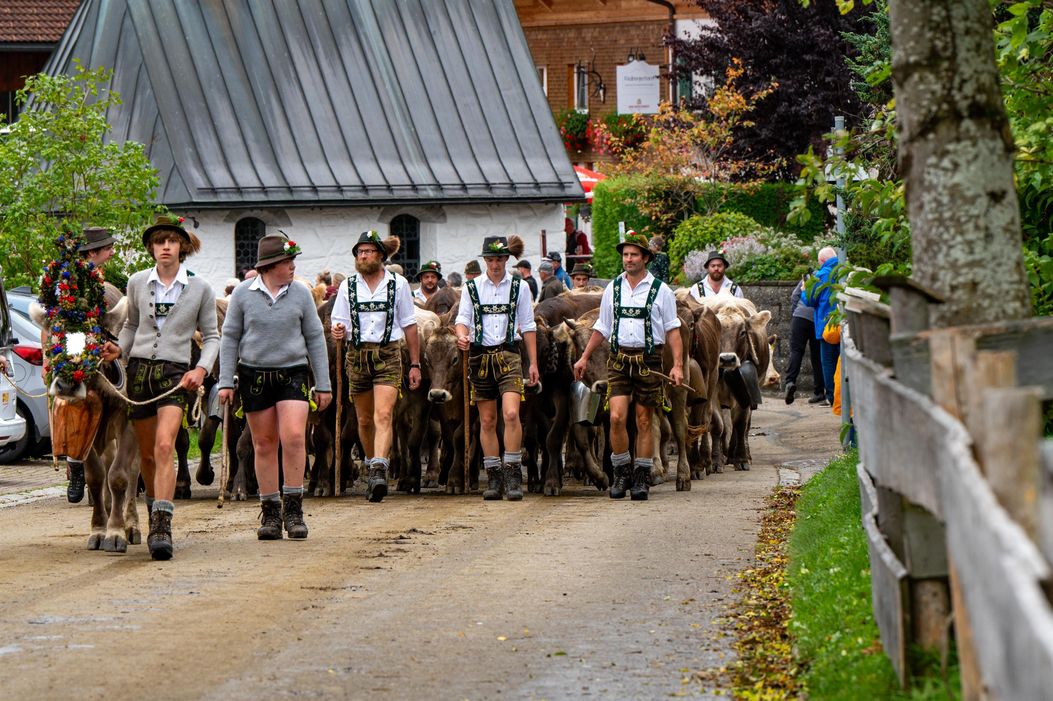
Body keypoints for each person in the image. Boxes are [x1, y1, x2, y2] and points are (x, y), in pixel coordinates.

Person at [111, 214, 220, 560]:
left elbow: (212, 336)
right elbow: (131, 326)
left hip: (175, 373)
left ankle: (162, 525)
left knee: (163, 446)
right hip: (139, 372)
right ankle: (153, 507)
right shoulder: (136, 282)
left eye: (171, 241)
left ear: (182, 247)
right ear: (151, 248)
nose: (165, 247)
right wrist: (118, 349)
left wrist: (201, 368)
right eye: (159, 242)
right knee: (145, 454)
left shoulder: (200, 288)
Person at [218, 235, 331, 540]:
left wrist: (323, 383)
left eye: (293, 261)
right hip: (254, 375)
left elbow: (315, 337)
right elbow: (230, 337)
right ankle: (270, 511)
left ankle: (293, 509)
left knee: (293, 436)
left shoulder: (301, 293)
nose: (293, 267)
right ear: (270, 266)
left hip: (292, 372)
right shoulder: (242, 294)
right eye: (287, 262)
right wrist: (225, 381)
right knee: (264, 443)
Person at [573, 232, 682, 501]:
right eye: (625, 255)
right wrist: (584, 357)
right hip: (619, 359)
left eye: (634, 255)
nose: (629, 259)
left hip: (649, 360)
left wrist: (678, 365)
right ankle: (621, 472)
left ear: (645, 258)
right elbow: (602, 326)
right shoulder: (613, 288)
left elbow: (672, 330)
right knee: (616, 417)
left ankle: (641, 476)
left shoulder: (661, 291)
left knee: (644, 420)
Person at [330, 231, 421, 502]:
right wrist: (337, 331)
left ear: (380, 255)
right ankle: (372, 464)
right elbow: (338, 322)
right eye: (360, 252)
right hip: (357, 355)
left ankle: (380, 468)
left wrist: (415, 363)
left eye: (368, 251)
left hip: (388, 353)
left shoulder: (398, 284)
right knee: (364, 419)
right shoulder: (348, 286)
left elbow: (410, 325)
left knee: (383, 414)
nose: (363, 256)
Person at [455, 235, 539, 501]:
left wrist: (533, 362)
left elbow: (528, 325)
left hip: (509, 354)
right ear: (485, 261)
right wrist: (462, 335)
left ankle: (513, 474)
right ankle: (493, 477)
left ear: (506, 259)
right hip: (480, 357)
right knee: (488, 420)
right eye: (490, 259)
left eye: (499, 259)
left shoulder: (519, 287)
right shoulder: (471, 287)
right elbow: (462, 319)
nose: (494, 264)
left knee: (511, 414)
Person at [39, 226, 119, 504]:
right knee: (73, 399)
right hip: (74, 340)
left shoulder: (104, 279)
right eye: (107, 248)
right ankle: (75, 466)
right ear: (92, 252)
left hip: (103, 342)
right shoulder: (67, 278)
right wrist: (50, 358)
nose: (112, 252)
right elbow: (50, 320)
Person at [783, 274, 825, 405]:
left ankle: (790, 382)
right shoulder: (828, 277)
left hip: (800, 317)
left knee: (796, 351)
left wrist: (796, 311)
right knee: (817, 357)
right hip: (817, 319)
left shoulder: (809, 277)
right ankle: (819, 392)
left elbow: (795, 296)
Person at [807, 246, 840, 407]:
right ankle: (844, 397)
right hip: (843, 322)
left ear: (822, 261)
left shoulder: (821, 275)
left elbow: (810, 300)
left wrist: (804, 289)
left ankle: (832, 397)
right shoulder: (843, 270)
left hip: (826, 326)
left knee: (828, 363)